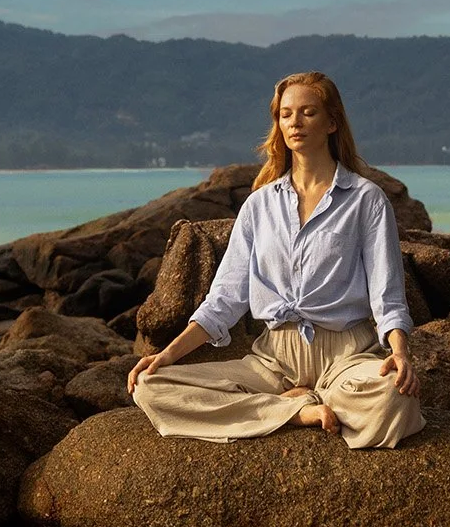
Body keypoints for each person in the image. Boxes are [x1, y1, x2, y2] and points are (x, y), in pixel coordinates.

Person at [126, 70, 425, 449]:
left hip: (348, 355)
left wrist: (399, 353)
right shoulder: (259, 205)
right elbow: (225, 300)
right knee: (151, 387)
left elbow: (387, 294)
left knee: (395, 398)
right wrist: (166, 355)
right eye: (286, 114)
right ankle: (294, 411)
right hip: (273, 360)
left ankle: (286, 406)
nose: (295, 122)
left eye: (308, 112)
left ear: (332, 122)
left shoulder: (366, 199)